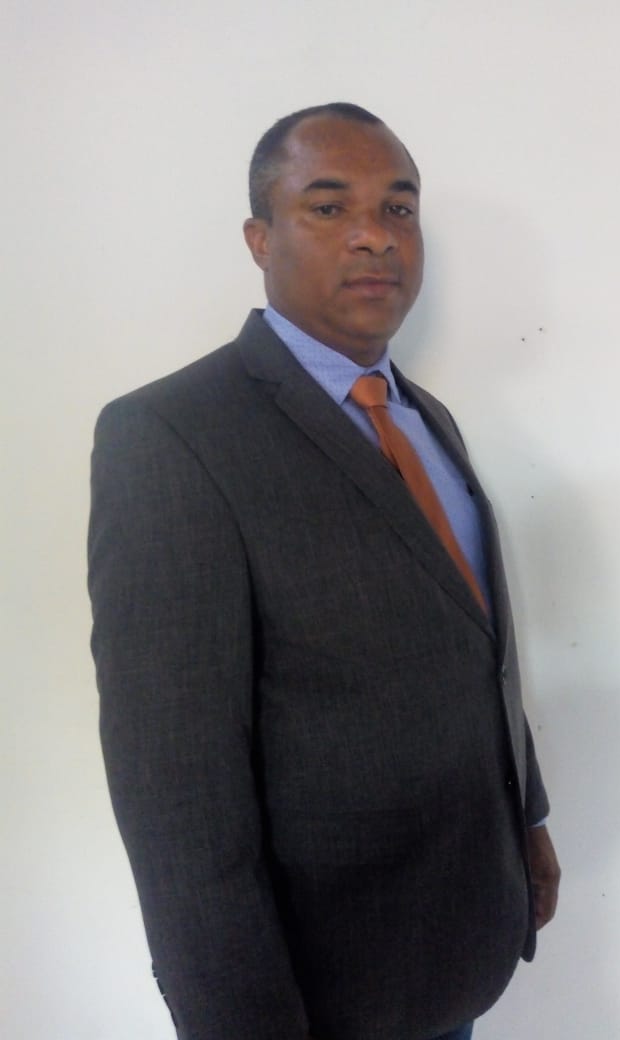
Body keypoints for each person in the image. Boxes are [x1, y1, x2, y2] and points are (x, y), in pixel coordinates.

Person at [88, 102, 560, 1040]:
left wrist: (527, 820)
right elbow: (176, 789)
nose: (374, 237)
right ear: (259, 239)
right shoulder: (172, 436)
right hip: (322, 982)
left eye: (398, 209)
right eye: (329, 207)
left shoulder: (425, 419)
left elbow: (476, 651)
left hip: (462, 935)